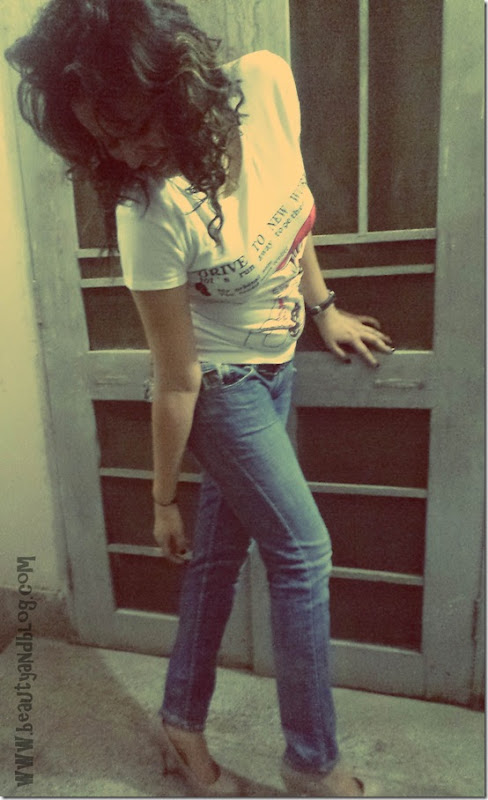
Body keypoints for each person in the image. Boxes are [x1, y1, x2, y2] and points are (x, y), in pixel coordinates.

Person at [6, 1, 393, 795]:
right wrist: (161, 500)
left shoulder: (266, 83)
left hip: (278, 368)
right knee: (303, 553)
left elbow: (292, 209)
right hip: (221, 390)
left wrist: (323, 308)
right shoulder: (149, 212)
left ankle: (180, 724)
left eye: (130, 124)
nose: (125, 151)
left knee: (217, 562)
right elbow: (177, 377)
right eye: (104, 140)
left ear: (172, 81)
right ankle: (312, 764)